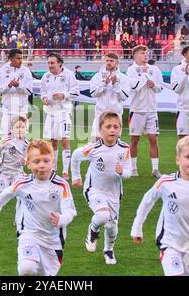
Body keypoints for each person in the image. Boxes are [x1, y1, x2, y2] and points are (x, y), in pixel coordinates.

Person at [131, 135, 189, 276]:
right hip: (169, 243)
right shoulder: (165, 182)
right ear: (178, 160)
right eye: (188, 156)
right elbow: (147, 200)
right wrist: (137, 228)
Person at [0, 140, 77, 276]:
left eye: (46, 161)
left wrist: (61, 219)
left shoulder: (61, 185)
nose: (41, 165)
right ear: (28, 163)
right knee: (27, 269)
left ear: (53, 162)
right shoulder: (22, 183)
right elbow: (5, 195)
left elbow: (70, 211)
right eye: (36, 162)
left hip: (53, 240)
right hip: (29, 233)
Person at [71, 112, 131, 265]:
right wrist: (76, 177)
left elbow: (129, 171)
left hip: (114, 193)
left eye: (116, 127)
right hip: (94, 190)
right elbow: (75, 156)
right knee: (103, 216)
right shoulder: (93, 148)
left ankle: (108, 250)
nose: (112, 130)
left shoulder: (124, 149)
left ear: (120, 129)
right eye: (108, 126)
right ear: (100, 129)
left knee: (112, 227)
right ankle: (93, 231)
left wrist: (122, 172)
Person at [126, 45, 163, 178]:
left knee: (153, 138)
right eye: (142, 53)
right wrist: (145, 74)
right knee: (135, 139)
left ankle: (155, 169)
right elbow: (135, 86)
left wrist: (155, 86)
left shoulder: (155, 69)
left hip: (152, 110)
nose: (145, 55)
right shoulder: (131, 70)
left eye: (146, 53)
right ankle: (133, 168)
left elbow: (160, 88)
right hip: (137, 110)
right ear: (135, 55)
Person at [40, 52, 79, 180]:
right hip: (50, 112)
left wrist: (63, 95)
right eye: (48, 63)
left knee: (65, 139)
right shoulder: (45, 76)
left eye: (52, 63)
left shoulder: (69, 75)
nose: (50, 65)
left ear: (60, 63)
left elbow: (75, 92)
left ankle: (65, 171)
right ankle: (54, 168)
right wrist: (44, 98)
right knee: (53, 142)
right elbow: (42, 91)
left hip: (64, 112)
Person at [89, 53, 130, 140]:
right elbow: (93, 93)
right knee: (96, 141)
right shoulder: (97, 76)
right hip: (100, 114)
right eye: (107, 60)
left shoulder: (123, 77)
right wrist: (104, 84)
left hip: (115, 115)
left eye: (111, 61)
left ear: (117, 62)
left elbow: (124, 96)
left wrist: (116, 84)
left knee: (113, 143)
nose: (109, 62)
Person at [0, 49, 33, 137]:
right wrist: (9, 85)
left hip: (21, 110)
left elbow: (29, 91)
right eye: (18, 58)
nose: (20, 61)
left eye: (21, 58)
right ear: (11, 59)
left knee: (21, 138)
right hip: (7, 110)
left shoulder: (26, 71)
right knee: (4, 138)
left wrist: (18, 86)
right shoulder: (1, 71)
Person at [0, 116, 29, 193]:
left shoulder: (27, 144)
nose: (20, 129)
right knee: (1, 194)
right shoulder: (7, 140)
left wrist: (25, 160)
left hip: (17, 172)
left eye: (23, 127)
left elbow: (28, 157)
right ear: (12, 129)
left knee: (21, 193)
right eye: (17, 127)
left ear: (26, 129)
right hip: (4, 171)